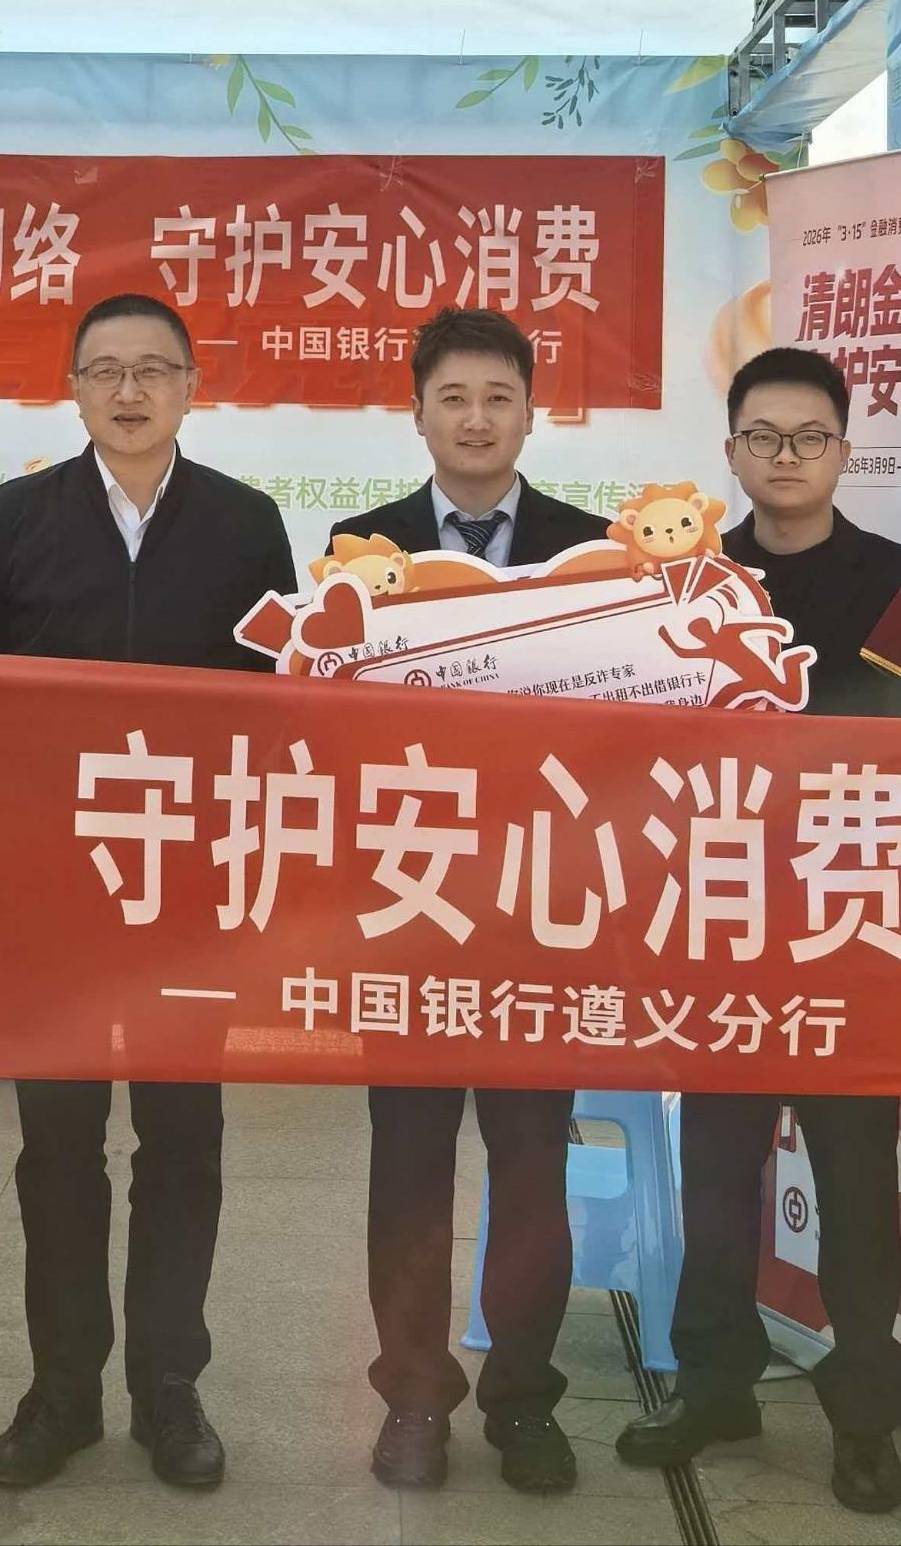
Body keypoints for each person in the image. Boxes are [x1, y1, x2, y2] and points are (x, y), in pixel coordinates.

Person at [0, 293, 297, 1491]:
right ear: (73, 387)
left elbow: (276, 713)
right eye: (105, 369)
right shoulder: (12, 519)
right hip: (50, 888)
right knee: (56, 1146)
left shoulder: (246, 524)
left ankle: (168, 1385)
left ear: (194, 385)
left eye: (154, 369)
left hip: (188, 887)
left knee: (182, 1140)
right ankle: (61, 1388)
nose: (130, 390)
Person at [611, 348, 901, 1512]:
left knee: (855, 1180)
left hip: (847, 921)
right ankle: (715, 1382)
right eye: (761, 436)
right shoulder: (683, 583)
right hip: (718, 917)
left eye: (807, 437)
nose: (784, 456)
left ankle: (864, 1415)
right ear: (730, 451)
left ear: (841, 449)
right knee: (716, 1169)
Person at [324, 306, 610, 1495]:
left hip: (543, 906)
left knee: (532, 1161)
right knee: (408, 1160)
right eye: (453, 398)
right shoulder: (358, 550)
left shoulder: (597, 552)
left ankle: (523, 1399)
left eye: (498, 397)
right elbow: (326, 726)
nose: (476, 419)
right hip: (411, 900)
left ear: (531, 412)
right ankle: (413, 1394)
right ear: (418, 413)